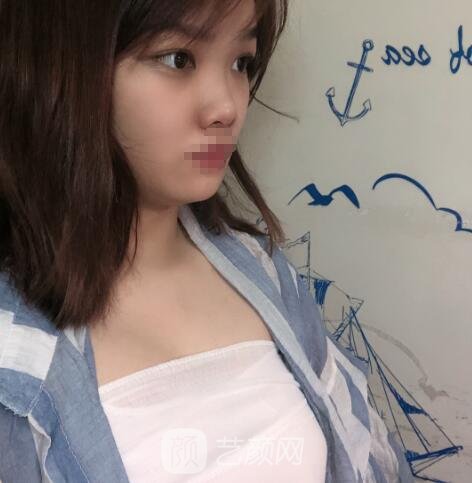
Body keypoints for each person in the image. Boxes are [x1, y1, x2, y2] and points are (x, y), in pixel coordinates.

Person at [0, 0, 413, 481]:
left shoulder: (265, 273)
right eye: (178, 59)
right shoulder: (17, 361)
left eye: (241, 62)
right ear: (63, 68)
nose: (227, 108)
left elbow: (369, 457)